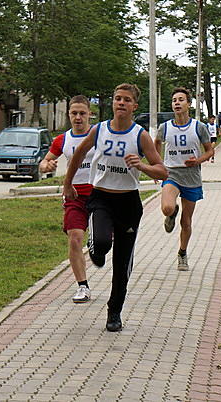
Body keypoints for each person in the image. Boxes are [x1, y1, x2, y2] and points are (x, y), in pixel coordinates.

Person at [63, 83, 167, 332]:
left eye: (126, 100)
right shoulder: (99, 130)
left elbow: (162, 170)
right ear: (112, 103)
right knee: (100, 242)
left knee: (122, 264)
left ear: (134, 106)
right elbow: (78, 154)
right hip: (101, 198)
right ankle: (96, 251)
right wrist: (68, 183)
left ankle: (114, 312)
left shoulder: (139, 135)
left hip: (128, 202)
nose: (121, 103)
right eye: (117, 98)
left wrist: (141, 166)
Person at [39, 95, 95, 303]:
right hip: (74, 195)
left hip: (99, 195)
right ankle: (83, 286)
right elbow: (46, 161)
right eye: (74, 113)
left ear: (90, 114)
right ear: (69, 115)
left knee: (101, 241)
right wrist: (46, 166)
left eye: (82, 113)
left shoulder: (99, 135)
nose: (78, 117)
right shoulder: (62, 139)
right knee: (74, 238)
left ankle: (98, 245)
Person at [155, 88, 214, 271]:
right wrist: (158, 165)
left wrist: (197, 160)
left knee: (186, 222)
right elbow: (156, 143)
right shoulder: (164, 128)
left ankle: (182, 252)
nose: (177, 103)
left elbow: (210, 150)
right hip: (171, 173)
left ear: (188, 104)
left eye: (181, 100)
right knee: (167, 207)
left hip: (191, 176)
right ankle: (172, 213)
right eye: (174, 100)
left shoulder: (199, 127)